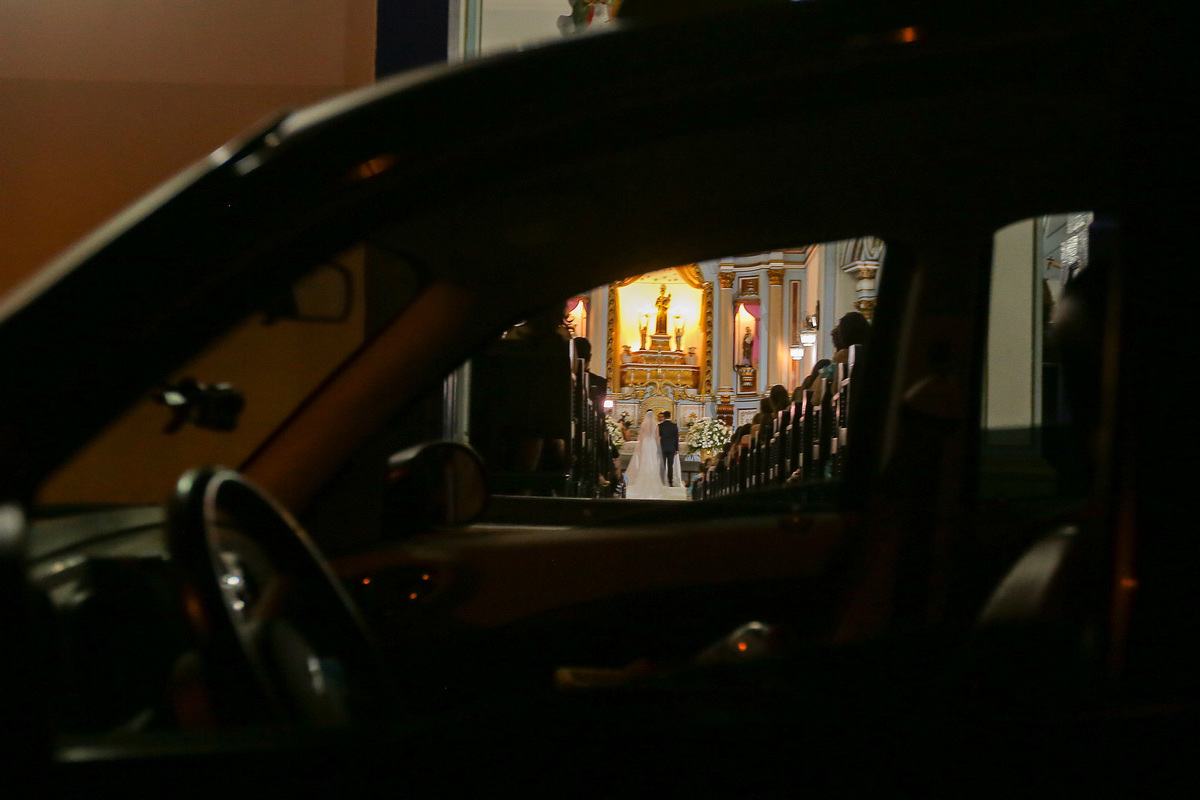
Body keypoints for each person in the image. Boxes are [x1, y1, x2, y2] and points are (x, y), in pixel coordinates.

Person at [624, 411, 668, 499]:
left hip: (645, 443)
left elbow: (640, 437)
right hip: (652, 444)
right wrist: (658, 447)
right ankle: (653, 480)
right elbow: (657, 438)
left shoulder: (643, 424)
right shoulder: (656, 425)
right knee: (652, 462)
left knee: (644, 461)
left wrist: (639, 448)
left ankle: (642, 479)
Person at [659, 410, 680, 487]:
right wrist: (676, 449)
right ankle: (670, 481)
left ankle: (661, 481)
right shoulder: (674, 425)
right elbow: (676, 438)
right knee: (670, 465)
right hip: (671, 447)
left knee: (662, 465)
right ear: (670, 416)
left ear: (664, 417)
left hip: (663, 447)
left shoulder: (661, 425)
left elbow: (658, 436)